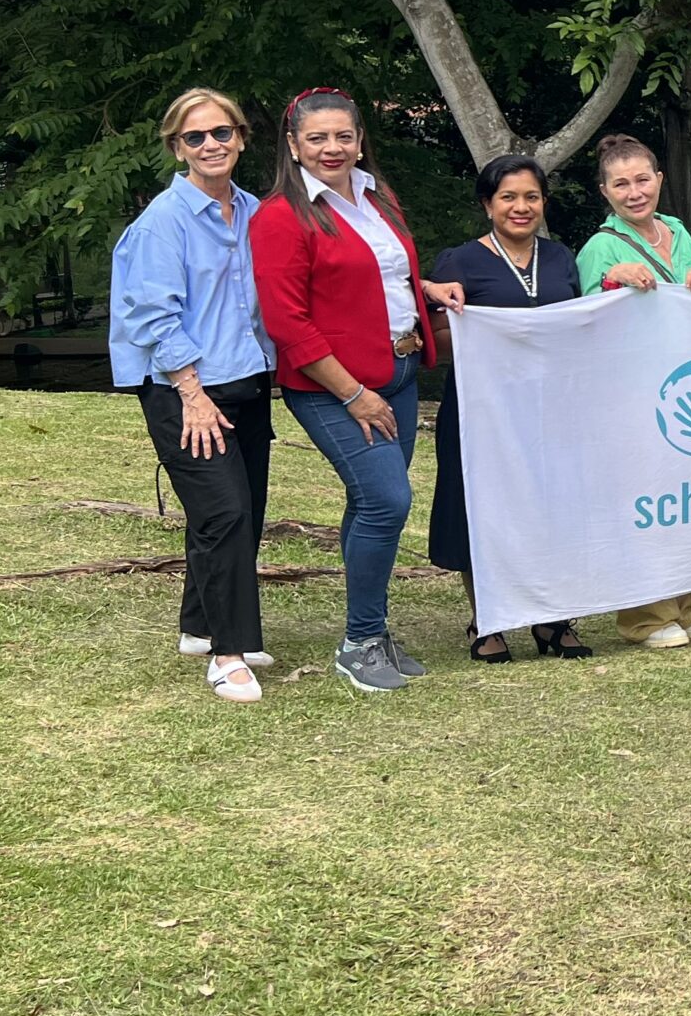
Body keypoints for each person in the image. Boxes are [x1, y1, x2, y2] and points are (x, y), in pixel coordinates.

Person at [251, 88, 465, 693]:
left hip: (397, 371)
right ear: (293, 145)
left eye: (343, 136)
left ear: (360, 139)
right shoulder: (280, 216)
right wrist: (353, 395)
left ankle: (370, 631)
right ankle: (360, 640)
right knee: (387, 501)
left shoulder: (376, 196)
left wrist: (427, 288)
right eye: (316, 138)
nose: (332, 148)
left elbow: (378, 269)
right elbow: (286, 321)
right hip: (334, 385)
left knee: (372, 504)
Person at [109, 88, 277, 703]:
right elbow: (154, 316)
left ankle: (200, 624)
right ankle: (226, 654)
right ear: (176, 147)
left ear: (240, 137)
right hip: (184, 390)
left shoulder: (255, 211)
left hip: (247, 383)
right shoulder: (163, 222)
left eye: (221, 133)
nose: (211, 145)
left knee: (244, 510)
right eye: (195, 137)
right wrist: (192, 394)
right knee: (224, 511)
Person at [426, 155, 592, 664]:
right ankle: (489, 619)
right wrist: (487, 338)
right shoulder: (459, 261)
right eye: (508, 198)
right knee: (481, 508)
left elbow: (584, 323)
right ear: (487, 205)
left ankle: (552, 617)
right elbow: (435, 338)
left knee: (552, 508)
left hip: (552, 409)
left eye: (532, 197)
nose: (521, 208)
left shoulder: (561, 257)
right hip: (483, 410)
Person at [576, 133, 691, 649]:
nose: (634, 192)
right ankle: (643, 616)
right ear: (605, 191)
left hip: (682, 382)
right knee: (647, 502)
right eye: (621, 184)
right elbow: (585, 319)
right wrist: (612, 279)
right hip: (633, 391)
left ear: (659, 180)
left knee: (687, 499)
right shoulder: (600, 246)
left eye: (642, 180)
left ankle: (684, 605)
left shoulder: (677, 230)